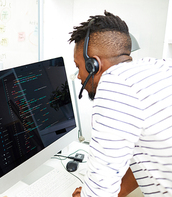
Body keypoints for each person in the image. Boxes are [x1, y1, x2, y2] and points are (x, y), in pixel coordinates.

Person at [69, 11, 172, 196]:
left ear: (94, 65)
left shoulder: (115, 83)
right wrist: (120, 191)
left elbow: (99, 193)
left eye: (78, 67)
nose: (78, 76)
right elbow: (147, 156)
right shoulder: (158, 67)